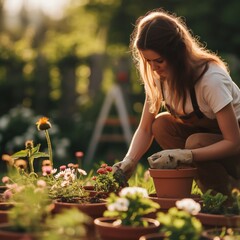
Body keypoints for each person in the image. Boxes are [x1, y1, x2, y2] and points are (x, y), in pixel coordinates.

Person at [112, 9, 240, 196]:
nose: (153, 67)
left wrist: (187, 155)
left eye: (159, 60)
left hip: (235, 147)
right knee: (162, 124)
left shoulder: (210, 79)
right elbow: (146, 128)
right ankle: (206, 189)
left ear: (178, 53)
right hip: (211, 143)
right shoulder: (159, 77)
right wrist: (129, 161)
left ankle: (223, 199)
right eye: (148, 61)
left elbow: (233, 142)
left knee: (195, 142)